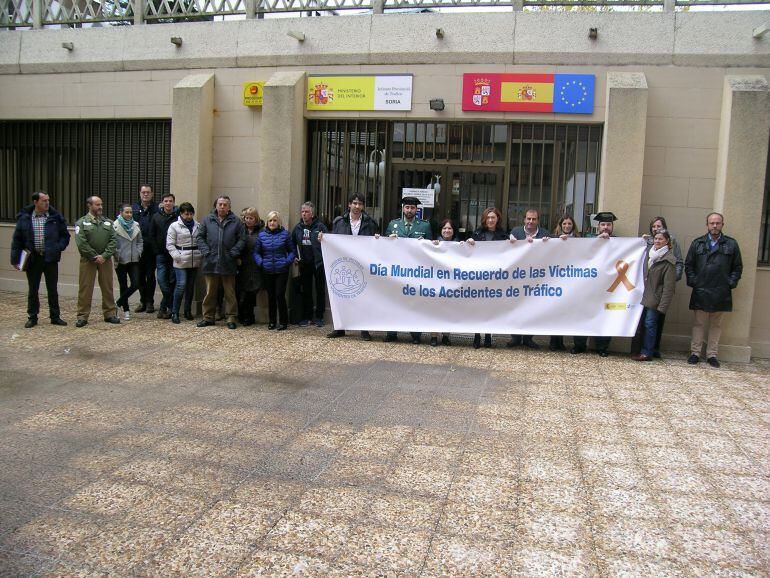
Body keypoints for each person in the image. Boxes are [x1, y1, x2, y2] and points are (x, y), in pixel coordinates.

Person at [685, 212, 742, 368]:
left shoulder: (731, 244)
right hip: (701, 290)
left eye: (718, 223)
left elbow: (737, 267)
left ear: (722, 224)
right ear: (707, 225)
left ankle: (712, 355)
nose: (715, 226)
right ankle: (695, 353)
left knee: (716, 325)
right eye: (712, 223)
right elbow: (689, 265)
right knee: (698, 324)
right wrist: (695, 282)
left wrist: (730, 283)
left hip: (720, 291)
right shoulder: (697, 243)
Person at [10, 191, 70, 328]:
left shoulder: (54, 217)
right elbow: (17, 240)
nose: (47, 203)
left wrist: (58, 247)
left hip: (50, 258)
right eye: (44, 201)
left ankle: (55, 316)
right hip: (33, 258)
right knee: (33, 289)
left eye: (48, 200)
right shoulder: (25, 218)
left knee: (52, 289)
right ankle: (32, 317)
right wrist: (15, 259)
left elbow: (65, 236)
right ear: (35, 202)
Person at [323, 192, 377, 341]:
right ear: (349, 204)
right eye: (354, 203)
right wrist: (323, 239)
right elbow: (332, 240)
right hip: (344, 265)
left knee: (364, 298)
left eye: (360, 204)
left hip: (363, 266)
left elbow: (375, 244)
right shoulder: (339, 222)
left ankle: (364, 329)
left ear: (363, 206)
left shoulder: (370, 223)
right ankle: (339, 328)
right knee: (340, 296)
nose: (357, 206)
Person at [631, 216, 684, 358]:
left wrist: (673, 279)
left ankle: (648, 352)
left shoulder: (669, 258)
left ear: (667, 241)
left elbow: (670, 283)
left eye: (659, 227)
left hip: (656, 296)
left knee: (650, 323)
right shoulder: (650, 249)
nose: (657, 239)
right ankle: (642, 349)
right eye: (654, 227)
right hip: (645, 293)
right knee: (645, 323)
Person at [383, 196, 433, 344]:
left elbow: (432, 248)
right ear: (403, 208)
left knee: (415, 302)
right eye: (407, 207)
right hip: (397, 270)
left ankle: (416, 334)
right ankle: (391, 333)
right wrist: (387, 239)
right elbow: (383, 247)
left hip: (416, 271)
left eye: (412, 208)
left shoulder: (424, 226)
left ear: (416, 210)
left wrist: (426, 243)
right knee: (394, 300)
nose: (409, 210)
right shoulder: (393, 224)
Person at [572, 211, 616, 357]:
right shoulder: (588, 240)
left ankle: (602, 347)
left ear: (612, 227)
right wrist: (597, 241)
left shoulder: (619, 242)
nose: (605, 227)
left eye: (608, 224)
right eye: (603, 224)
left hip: (607, 287)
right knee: (582, 314)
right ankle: (579, 345)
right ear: (598, 227)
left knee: (605, 316)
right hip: (588, 285)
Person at [197, 196, 246, 329]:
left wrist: (234, 252)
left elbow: (242, 239)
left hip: (228, 262)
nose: (222, 207)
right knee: (210, 293)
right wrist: (206, 251)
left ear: (229, 207)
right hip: (210, 262)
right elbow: (200, 237)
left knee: (230, 293)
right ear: (216, 205)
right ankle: (208, 317)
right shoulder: (207, 220)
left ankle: (231, 318)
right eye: (220, 204)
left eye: (225, 205)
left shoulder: (236, 221)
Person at [74, 196, 119, 327]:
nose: (100, 207)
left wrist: (104, 256)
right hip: (88, 260)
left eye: (101, 204)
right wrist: (94, 256)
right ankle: (82, 316)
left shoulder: (108, 223)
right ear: (89, 205)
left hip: (105, 260)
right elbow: (81, 243)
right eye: (97, 205)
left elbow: (113, 240)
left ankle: (110, 314)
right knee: (85, 288)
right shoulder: (81, 223)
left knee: (107, 287)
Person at [508, 208, 549, 349]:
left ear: (538, 220)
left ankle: (528, 338)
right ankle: (515, 337)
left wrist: (548, 243)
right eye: (528, 218)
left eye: (534, 219)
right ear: (524, 219)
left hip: (536, 277)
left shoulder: (544, 233)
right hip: (518, 276)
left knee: (532, 307)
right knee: (516, 306)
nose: (531, 221)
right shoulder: (515, 232)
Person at [469, 207, 508, 349]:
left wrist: (513, 242)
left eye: (493, 217)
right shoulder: (477, 234)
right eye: (488, 217)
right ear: (484, 219)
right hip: (479, 276)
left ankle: (488, 336)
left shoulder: (504, 235)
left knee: (490, 308)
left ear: (498, 219)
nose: (491, 220)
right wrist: (468, 242)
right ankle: (477, 335)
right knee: (478, 308)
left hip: (495, 278)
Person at [254, 211, 295, 330]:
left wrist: (287, 262)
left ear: (279, 222)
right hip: (267, 270)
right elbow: (256, 252)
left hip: (282, 270)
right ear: (267, 222)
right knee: (271, 296)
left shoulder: (285, 234)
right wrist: (261, 262)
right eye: (270, 220)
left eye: (275, 220)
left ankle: (283, 322)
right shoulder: (261, 235)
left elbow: (292, 251)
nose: (272, 223)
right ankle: (272, 321)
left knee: (279, 295)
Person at [292, 201, 328, 327]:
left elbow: (328, 242)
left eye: (306, 212)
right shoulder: (298, 228)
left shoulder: (320, 226)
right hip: (304, 264)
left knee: (320, 290)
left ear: (312, 214)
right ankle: (307, 316)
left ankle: (319, 316)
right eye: (302, 212)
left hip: (318, 263)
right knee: (306, 290)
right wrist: (294, 256)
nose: (304, 214)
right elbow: (291, 244)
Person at [166, 202, 201, 324]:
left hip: (194, 259)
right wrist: (177, 256)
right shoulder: (174, 226)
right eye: (186, 214)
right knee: (181, 285)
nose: (189, 216)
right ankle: (175, 312)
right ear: (181, 214)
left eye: (191, 214)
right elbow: (170, 244)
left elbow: (201, 241)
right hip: (180, 259)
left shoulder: (198, 225)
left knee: (190, 286)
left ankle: (187, 310)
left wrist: (200, 254)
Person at [549, 214, 580, 351]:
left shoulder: (579, 240)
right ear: (560, 225)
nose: (567, 226)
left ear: (573, 225)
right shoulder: (553, 238)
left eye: (569, 224)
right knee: (555, 311)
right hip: (556, 279)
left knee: (565, 311)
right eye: (564, 224)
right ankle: (554, 341)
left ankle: (561, 341)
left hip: (572, 280)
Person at [430, 219, 459, 347]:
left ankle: (446, 336)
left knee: (449, 309)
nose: (447, 231)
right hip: (436, 282)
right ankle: (434, 336)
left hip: (451, 282)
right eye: (444, 228)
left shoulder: (459, 245)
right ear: (440, 230)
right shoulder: (433, 244)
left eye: (449, 228)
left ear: (453, 231)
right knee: (435, 309)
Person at [148, 193, 178, 319]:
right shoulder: (156, 216)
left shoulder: (178, 217)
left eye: (170, 201)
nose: (168, 203)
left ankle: (163, 308)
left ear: (173, 202)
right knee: (161, 280)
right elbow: (151, 234)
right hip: (161, 255)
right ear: (162, 203)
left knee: (172, 281)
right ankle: (170, 306)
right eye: (166, 201)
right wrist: (156, 250)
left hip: (173, 255)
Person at [113, 204, 144, 320]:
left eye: (131, 212)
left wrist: (138, 251)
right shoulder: (115, 226)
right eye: (127, 212)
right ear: (121, 213)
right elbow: (112, 243)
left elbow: (140, 241)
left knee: (136, 284)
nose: (129, 214)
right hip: (121, 260)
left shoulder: (136, 225)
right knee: (123, 285)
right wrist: (117, 254)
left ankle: (118, 303)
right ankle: (126, 310)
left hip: (134, 259)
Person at [132, 184, 159, 313]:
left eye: (148, 192)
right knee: (139, 276)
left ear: (152, 194)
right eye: (143, 192)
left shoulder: (157, 208)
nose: (146, 194)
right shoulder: (134, 208)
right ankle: (142, 301)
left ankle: (150, 302)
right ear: (140, 193)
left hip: (151, 249)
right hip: (138, 248)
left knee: (150, 276)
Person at [237, 207, 264, 327]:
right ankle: (241, 314)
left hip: (255, 265)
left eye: (251, 218)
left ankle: (249, 316)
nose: (248, 220)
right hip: (242, 264)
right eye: (246, 218)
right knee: (241, 292)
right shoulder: (240, 230)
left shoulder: (261, 231)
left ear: (256, 219)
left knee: (252, 292)